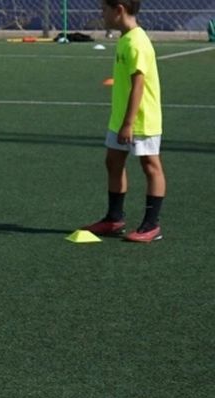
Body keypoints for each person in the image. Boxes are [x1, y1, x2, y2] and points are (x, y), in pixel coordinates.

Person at [81, 0, 165, 242]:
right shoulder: (125, 38)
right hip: (120, 117)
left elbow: (138, 86)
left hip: (141, 119)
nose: (102, 15)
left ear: (119, 10)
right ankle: (114, 219)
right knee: (113, 161)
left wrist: (128, 123)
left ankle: (151, 225)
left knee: (150, 165)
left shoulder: (137, 42)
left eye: (104, 10)